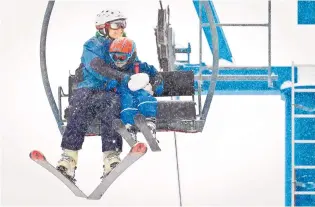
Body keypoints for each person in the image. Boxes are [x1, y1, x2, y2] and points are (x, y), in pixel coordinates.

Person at [56, 9, 133, 182]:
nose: (119, 28)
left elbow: (134, 64)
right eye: (115, 25)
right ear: (103, 27)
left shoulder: (125, 45)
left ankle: (110, 156)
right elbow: (97, 67)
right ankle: (69, 157)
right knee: (79, 105)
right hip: (88, 88)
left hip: (108, 92)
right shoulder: (92, 45)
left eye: (122, 24)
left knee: (112, 104)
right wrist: (120, 76)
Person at [107, 37, 164, 141]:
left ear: (131, 55)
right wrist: (114, 84)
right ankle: (129, 127)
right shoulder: (113, 71)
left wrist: (155, 86)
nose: (118, 61)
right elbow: (107, 83)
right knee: (126, 101)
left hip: (140, 90)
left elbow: (156, 76)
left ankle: (149, 122)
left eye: (121, 57)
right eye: (114, 57)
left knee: (144, 97)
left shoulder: (142, 67)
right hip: (123, 93)